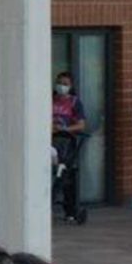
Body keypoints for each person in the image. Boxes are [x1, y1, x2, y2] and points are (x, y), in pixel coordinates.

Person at [51, 73, 88, 224]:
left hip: (66, 140)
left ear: (70, 86)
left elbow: (81, 125)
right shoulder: (49, 99)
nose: (61, 86)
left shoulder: (74, 102)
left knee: (67, 173)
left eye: (65, 84)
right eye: (59, 83)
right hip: (49, 139)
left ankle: (70, 210)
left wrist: (65, 129)